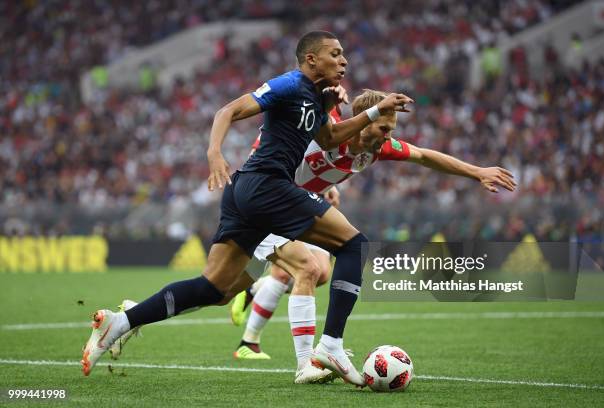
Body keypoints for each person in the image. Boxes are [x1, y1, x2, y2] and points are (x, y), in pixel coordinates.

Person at [81, 30, 413, 387]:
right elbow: (229, 110)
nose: (344, 60)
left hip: (246, 191)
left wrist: (375, 110)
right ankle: (329, 345)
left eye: (344, 54)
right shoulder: (288, 84)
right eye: (335, 54)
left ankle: (122, 322)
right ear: (311, 59)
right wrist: (214, 151)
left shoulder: (315, 99)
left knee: (214, 289)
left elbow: (330, 138)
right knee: (354, 245)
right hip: (268, 185)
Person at [230, 89, 516, 379]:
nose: (387, 135)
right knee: (305, 269)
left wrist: (477, 172)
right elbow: (300, 108)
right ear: (364, 120)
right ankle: (300, 361)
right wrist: (327, 89)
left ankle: (256, 291)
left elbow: (424, 156)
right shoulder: (329, 128)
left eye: (391, 130)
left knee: (322, 274)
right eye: (383, 128)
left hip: (300, 207)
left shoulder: (379, 148)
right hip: (268, 200)